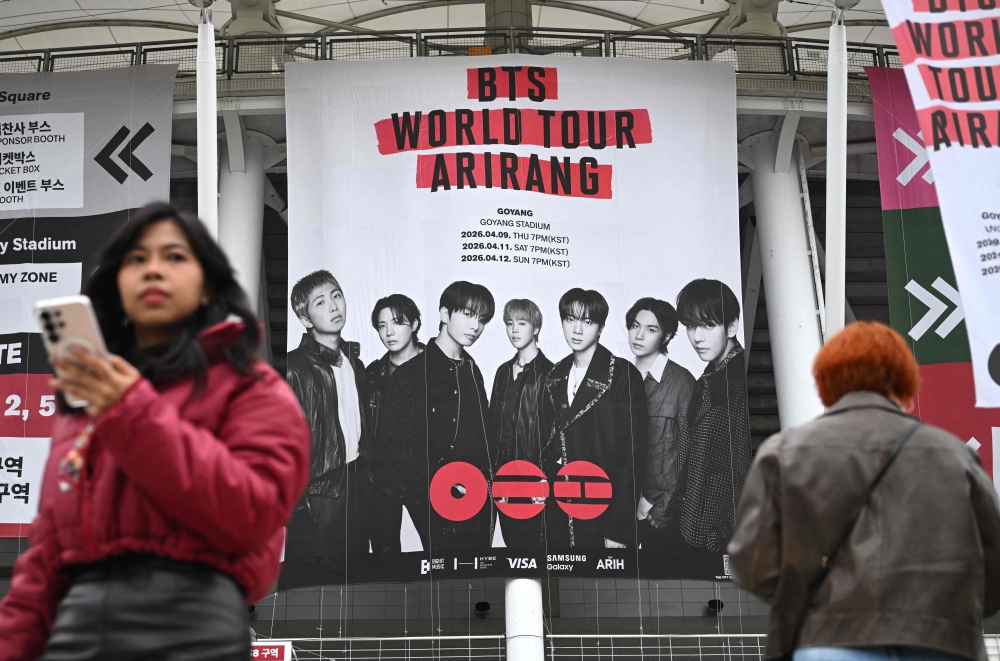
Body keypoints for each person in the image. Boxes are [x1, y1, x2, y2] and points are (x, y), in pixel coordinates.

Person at [0, 202, 310, 661]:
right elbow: (44, 560)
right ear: (117, 285)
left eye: (174, 256)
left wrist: (130, 413)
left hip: (191, 624)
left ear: (208, 286)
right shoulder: (86, 407)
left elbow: (253, 513)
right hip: (73, 632)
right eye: (136, 260)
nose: (153, 270)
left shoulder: (252, 390)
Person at [729, 321, 1000, 661]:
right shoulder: (955, 456)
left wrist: (812, 605)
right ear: (905, 381)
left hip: (827, 641)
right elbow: (994, 568)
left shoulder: (784, 453)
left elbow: (751, 565)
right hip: (940, 643)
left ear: (826, 382)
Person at [376, 281, 496, 552]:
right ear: (444, 314)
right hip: (436, 503)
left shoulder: (472, 370)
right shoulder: (410, 375)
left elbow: (483, 437)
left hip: (477, 498)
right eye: (467, 314)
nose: (475, 326)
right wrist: (436, 490)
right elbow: (393, 451)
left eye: (482, 319)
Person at [282, 270, 372, 587]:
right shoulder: (292, 368)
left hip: (358, 484)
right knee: (315, 584)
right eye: (321, 302)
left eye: (336, 295)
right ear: (305, 319)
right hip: (319, 492)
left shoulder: (355, 362)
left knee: (358, 577)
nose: (334, 306)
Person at [541, 288, 646, 549]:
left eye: (587, 322)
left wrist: (619, 528)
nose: (577, 329)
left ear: (600, 327)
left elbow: (634, 455)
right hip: (559, 511)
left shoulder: (622, 374)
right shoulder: (554, 375)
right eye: (570, 319)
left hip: (604, 512)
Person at [668, 278, 751, 554]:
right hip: (692, 528)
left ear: (732, 326)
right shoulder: (709, 377)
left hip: (719, 540)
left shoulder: (738, 384)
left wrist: (723, 537)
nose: (697, 337)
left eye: (708, 325)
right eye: (691, 326)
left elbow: (744, 471)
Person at [625, 297, 695, 548]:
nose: (639, 335)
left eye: (650, 329)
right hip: (625, 511)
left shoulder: (682, 382)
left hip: (662, 513)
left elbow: (694, 453)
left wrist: (666, 508)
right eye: (635, 326)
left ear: (666, 337)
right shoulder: (621, 379)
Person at [488, 299, 553, 549]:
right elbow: (493, 427)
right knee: (512, 547)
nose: (514, 329)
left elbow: (554, 435)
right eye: (509, 323)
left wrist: (545, 480)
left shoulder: (551, 374)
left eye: (522, 323)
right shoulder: (503, 372)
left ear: (535, 328)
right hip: (503, 478)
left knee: (536, 550)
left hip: (535, 480)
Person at [366, 294, 424, 554]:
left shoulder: (437, 368)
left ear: (414, 324)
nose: (388, 332)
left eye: (397, 322)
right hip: (383, 481)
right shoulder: (373, 373)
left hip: (425, 479)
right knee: (384, 557)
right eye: (381, 326)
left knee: (442, 554)